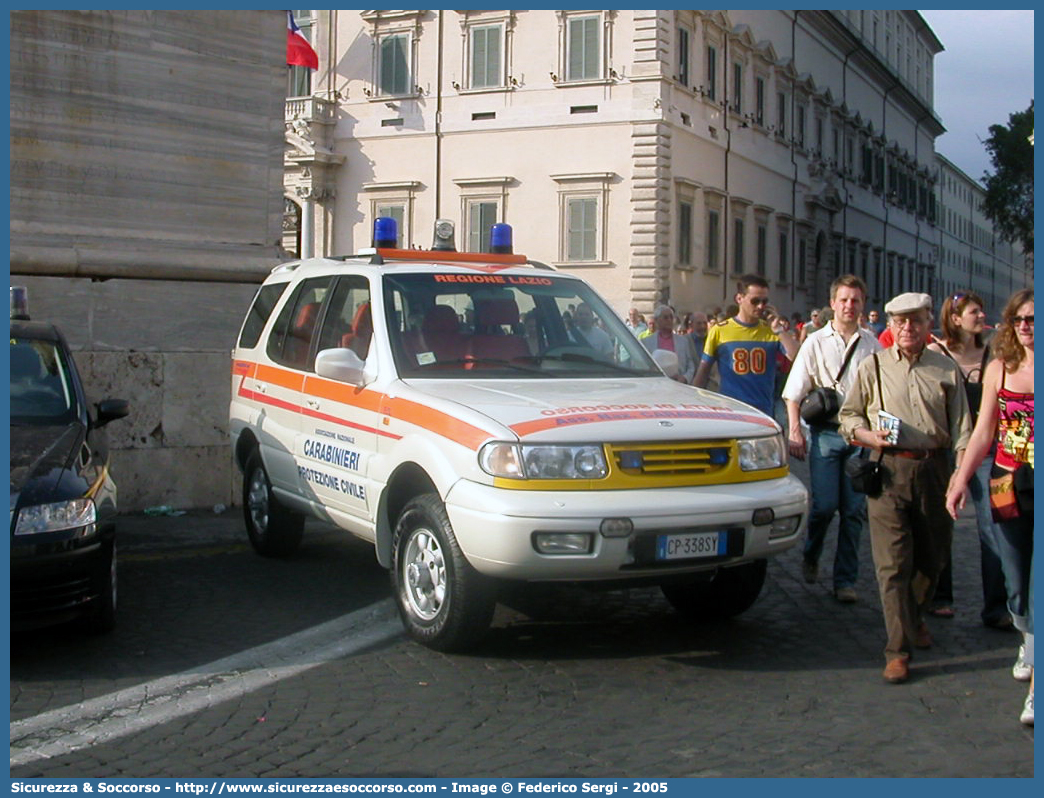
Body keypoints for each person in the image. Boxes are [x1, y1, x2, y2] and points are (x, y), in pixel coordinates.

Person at [838, 292, 971, 684]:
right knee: (892, 564)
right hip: (888, 470)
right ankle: (897, 649)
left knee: (933, 558)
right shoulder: (873, 366)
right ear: (889, 327)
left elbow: (963, 428)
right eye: (899, 322)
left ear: (929, 323)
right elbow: (848, 415)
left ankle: (914, 616)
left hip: (934, 470)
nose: (907, 328)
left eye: (914, 320)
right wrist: (866, 435)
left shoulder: (945, 369)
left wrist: (960, 476)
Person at [946, 288, 1034, 726]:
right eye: (1019, 319)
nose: (1025, 326)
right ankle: (1026, 634)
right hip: (1005, 481)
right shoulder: (999, 368)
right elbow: (983, 431)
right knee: (1015, 575)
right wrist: (961, 479)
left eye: (1033, 319)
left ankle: (1037, 679)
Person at [783, 275, 881, 603]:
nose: (850, 306)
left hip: (860, 437)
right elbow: (794, 392)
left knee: (853, 511)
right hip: (825, 433)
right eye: (844, 300)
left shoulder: (872, 344)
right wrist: (795, 430)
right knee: (824, 506)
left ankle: (845, 580)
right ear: (833, 304)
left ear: (862, 304)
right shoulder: (815, 341)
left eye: (855, 300)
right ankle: (812, 554)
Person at [926, 292, 1011, 628]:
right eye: (974, 311)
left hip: (990, 451)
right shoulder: (937, 354)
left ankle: (997, 606)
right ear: (956, 318)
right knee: (941, 523)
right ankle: (940, 596)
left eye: (982, 310)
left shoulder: (995, 354)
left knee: (994, 525)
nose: (981, 315)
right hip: (946, 450)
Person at [694, 274, 799, 417]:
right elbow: (703, 372)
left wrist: (778, 329)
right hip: (731, 412)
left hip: (763, 411)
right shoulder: (719, 331)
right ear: (739, 299)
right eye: (755, 301)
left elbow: (797, 357)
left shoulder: (771, 330)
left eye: (764, 301)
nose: (760, 306)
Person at [642, 305, 697, 383]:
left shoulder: (683, 341)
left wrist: (685, 378)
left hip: (678, 385)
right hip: (656, 384)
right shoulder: (646, 342)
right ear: (657, 320)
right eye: (666, 317)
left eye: (671, 317)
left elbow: (691, 364)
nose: (669, 320)